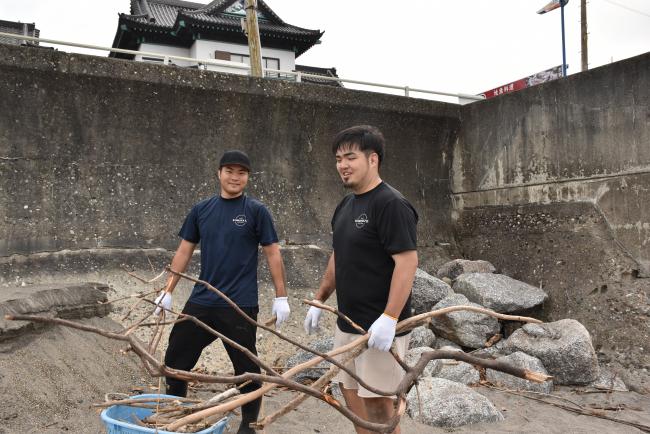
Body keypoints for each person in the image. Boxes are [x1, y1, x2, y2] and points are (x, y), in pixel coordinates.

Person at [153, 150, 290, 434]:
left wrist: (281, 296)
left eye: (241, 172)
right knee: (176, 358)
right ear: (219, 173)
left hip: (239, 304)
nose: (234, 177)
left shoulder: (256, 211)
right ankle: (174, 415)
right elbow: (183, 251)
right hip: (202, 300)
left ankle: (249, 425)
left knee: (246, 367)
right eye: (229, 171)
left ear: (248, 178)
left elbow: (273, 254)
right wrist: (167, 290)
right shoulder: (201, 209)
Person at [304, 125, 418, 434]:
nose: (342, 165)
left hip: (380, 329)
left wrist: (390, 317)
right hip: (348, 324)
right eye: (338, 158)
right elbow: (338, 256)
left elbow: (407, 261)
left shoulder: (391, 204)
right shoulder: (346, 206)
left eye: (350, 157)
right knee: (353, 399)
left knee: (381, 407)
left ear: (373, 160)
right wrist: (319, 299)